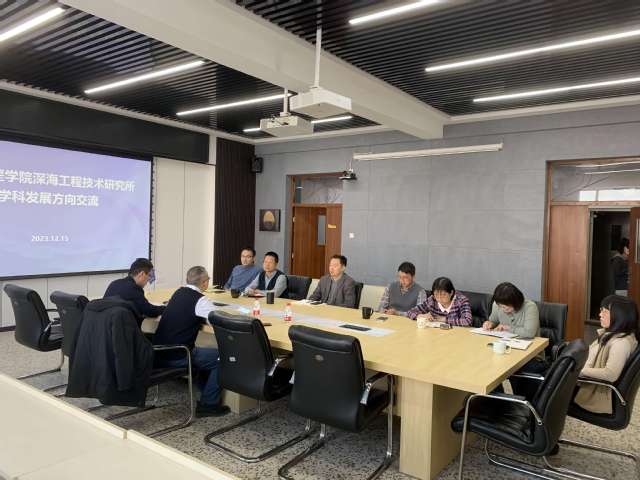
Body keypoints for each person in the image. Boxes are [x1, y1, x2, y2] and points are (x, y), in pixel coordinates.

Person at [153, 266, 230, 417]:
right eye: (208, 280)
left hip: (158, 352)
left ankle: (206, 390)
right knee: (224, 357)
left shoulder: (178, 292)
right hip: (179, 354)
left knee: (205, 352)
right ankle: (209, 404)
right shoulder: (200, 300)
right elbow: (218, 320)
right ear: (204, 282)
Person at [574, 295, 639, 414]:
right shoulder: (611, 335)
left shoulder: (620, 343)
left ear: (619, 315)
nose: (600, 315)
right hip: (584, 380)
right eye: (601, 311)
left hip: (592, 391)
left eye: (604, 311)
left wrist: (580, 371)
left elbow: (610, 374)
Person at [104, 258, 164, 324]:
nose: (148, 280)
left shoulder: (113, 284)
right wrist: (166, 308)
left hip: (105, 327)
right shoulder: (134, 288)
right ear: (142, 274)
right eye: (149, 275)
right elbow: (149, 311)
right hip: (123, 328)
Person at [407, 277, 472, 326]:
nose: (440, 298)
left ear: (451, 293)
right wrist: (421, 316)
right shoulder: (432, 300)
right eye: (436, 295)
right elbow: (410, 312)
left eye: (443, 294)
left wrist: (444, 319)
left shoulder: (461, 300)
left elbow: (467, 321)